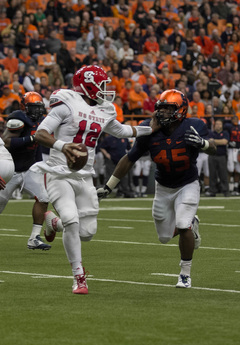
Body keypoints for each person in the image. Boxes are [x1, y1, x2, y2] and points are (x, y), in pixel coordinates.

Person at [31, 65, 157, 295]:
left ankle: (53, 222)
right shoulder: (66, 102)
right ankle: (79, 276)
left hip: (85, 176)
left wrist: (151, 129)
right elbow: (40, 134)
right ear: (88, 85)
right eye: (102, 85)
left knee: (87, 232)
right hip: (59, 172)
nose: (106, 90)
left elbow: (121, 131)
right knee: (71, 219)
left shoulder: (105, 109)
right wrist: (63, 146)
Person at [97, 89, 216, 288]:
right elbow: (129, 158)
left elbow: (213, 147)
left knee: (183, 223)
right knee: (163, 237)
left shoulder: (195, 125)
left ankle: (185, 273)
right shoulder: (149, 129)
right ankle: (192, 223)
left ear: (180, 110)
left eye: (170, 109)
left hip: (188, 183)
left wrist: (203, 144)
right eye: (162, 109)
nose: (164, 114)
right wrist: (109, 187)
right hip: (163, 186)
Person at [0, 92, 50, 250]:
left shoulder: (43, 120)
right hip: (11, 170)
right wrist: (32, 138)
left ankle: (34, 237)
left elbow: (38, 147)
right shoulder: (18, 118)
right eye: (33, 107)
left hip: (30, 168)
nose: (37, 111)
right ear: (24, 107)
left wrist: (40, 165)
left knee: (43, 197)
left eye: (39, 107)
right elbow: (6, 142)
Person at [206, 119, 229, 197]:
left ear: (222, 125)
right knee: (212, 175)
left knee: (223, 175)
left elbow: (224, 142)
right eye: (216, 124)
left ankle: (225, 191)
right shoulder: (211, 133)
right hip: (212, 156)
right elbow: (209, 142)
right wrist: (219, 141)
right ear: (214, 125)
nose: (218, 125)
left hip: (222, 156)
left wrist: (214, 141)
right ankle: (213, 191)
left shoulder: (225, 133)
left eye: (219, 124)